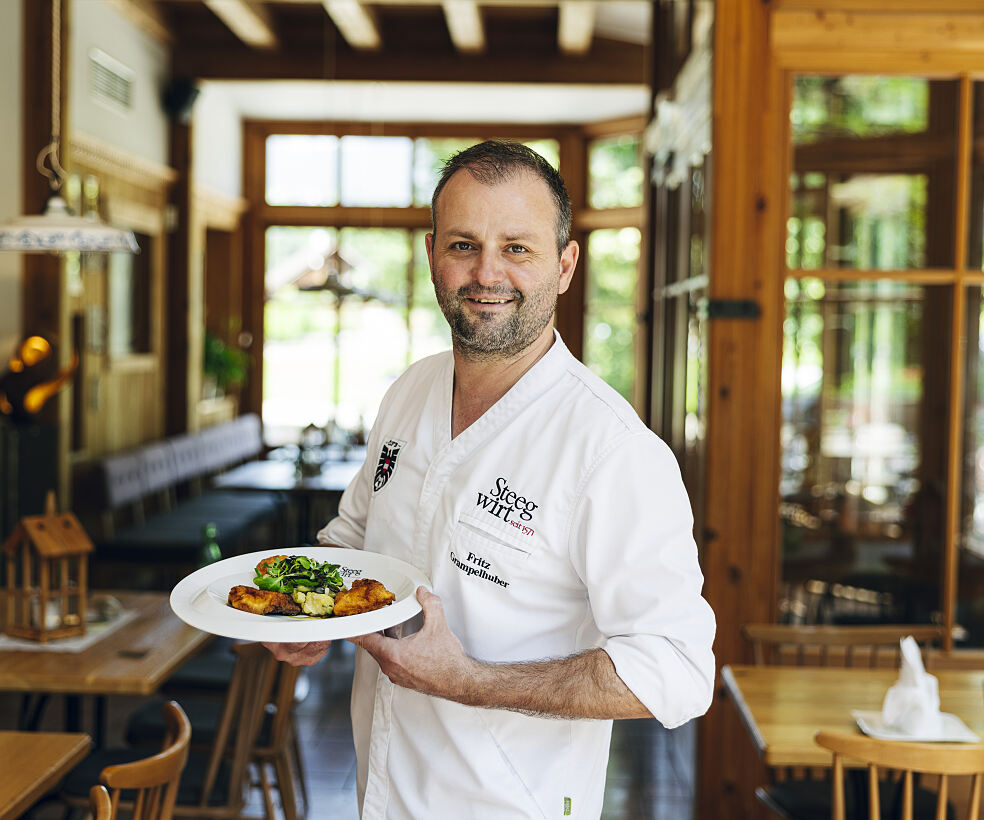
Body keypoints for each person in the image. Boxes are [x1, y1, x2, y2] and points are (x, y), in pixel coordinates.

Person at [265, 140, 716, 819]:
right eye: (463, 245)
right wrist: (308, 611)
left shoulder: (611, 450)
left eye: (518, 248)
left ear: (564, 266)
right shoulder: (410, 392)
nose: (486, 272)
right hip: (377, 793)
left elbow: (677, 670)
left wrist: (465, 680)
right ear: (431, 257)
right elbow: (354, 535)